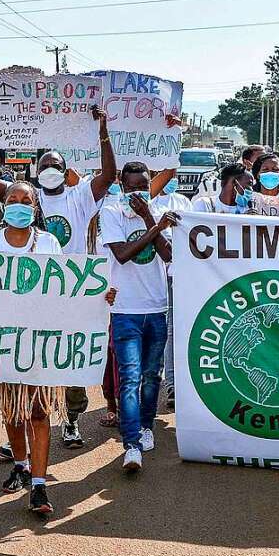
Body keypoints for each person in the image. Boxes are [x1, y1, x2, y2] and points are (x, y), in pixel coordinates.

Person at [0, 105, 118, 451]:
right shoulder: (26, 196)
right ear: (36, 174)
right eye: (45, 167)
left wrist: (103, 132)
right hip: (25, 300)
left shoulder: (80, 197)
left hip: (70, 296)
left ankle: (70, 421)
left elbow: (109, 175)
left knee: (65, 360)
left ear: (66, 172)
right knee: (24, 364)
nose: (50, 170)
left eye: (56, 166)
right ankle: (20, 434)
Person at [0, 181, 64, 515]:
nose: (19, 205)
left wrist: (99, 297)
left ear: (36, 209)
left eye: (27, 201)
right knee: (13, 411)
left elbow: (67, 288)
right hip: (4, 345)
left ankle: (39, 487)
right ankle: (21, 463)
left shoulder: (50, 243)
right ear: (4, 204)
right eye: (13, 199)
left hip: (39, 343)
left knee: (39, 412)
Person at [99, 161, 177, 473]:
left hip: (156, 307)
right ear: (120, 185)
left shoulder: (156, 211)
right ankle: (131, 444)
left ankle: (146, 427)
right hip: (124, 311)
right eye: (130, 187)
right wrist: (156, 227)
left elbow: (168, 254)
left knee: (151, 375)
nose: (137, 193)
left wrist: (149, 218)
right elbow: (122, 253)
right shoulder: (111, 213)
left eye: (142, 186)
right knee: (129, 377)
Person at [150, 171, 192, 410]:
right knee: (166, 329)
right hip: (156, 274)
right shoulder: (148, 202)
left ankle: (179, 383)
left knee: (179, 327)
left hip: (181, 273)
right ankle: (168, 383)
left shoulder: (183, 202)